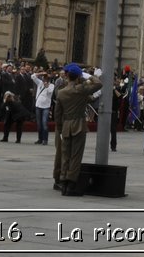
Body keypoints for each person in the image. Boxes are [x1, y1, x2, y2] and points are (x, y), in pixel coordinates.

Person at [54, 64, 103, 196]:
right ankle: (71, 186)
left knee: (65, 156)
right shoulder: (81, 89)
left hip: (65, 126)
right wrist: (89, 75)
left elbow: (57, 114)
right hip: (79, 125)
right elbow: (98, 84)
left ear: (68, 76)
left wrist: (60, 128)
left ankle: (63, 182)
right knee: (76, 156)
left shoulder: (61, 92)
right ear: (78, 77)